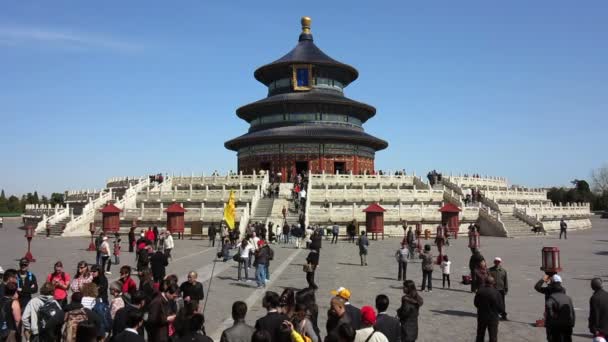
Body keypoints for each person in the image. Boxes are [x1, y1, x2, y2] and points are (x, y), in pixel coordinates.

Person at [545, 275, 575, 341]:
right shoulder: (568, 298)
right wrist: (572, 323)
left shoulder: (551, 298)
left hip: (556, 327)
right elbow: (572, 312)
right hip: (568, 326)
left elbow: (549, 313)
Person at [474, 276, 504, 342]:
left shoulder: (480, 291)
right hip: (493, 317)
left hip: (482, 316)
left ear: (485, 282)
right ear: (493, 283)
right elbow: (501, 307)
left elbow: (476, 303)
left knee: (480, 335)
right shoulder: (497, 293)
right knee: (493, 336)